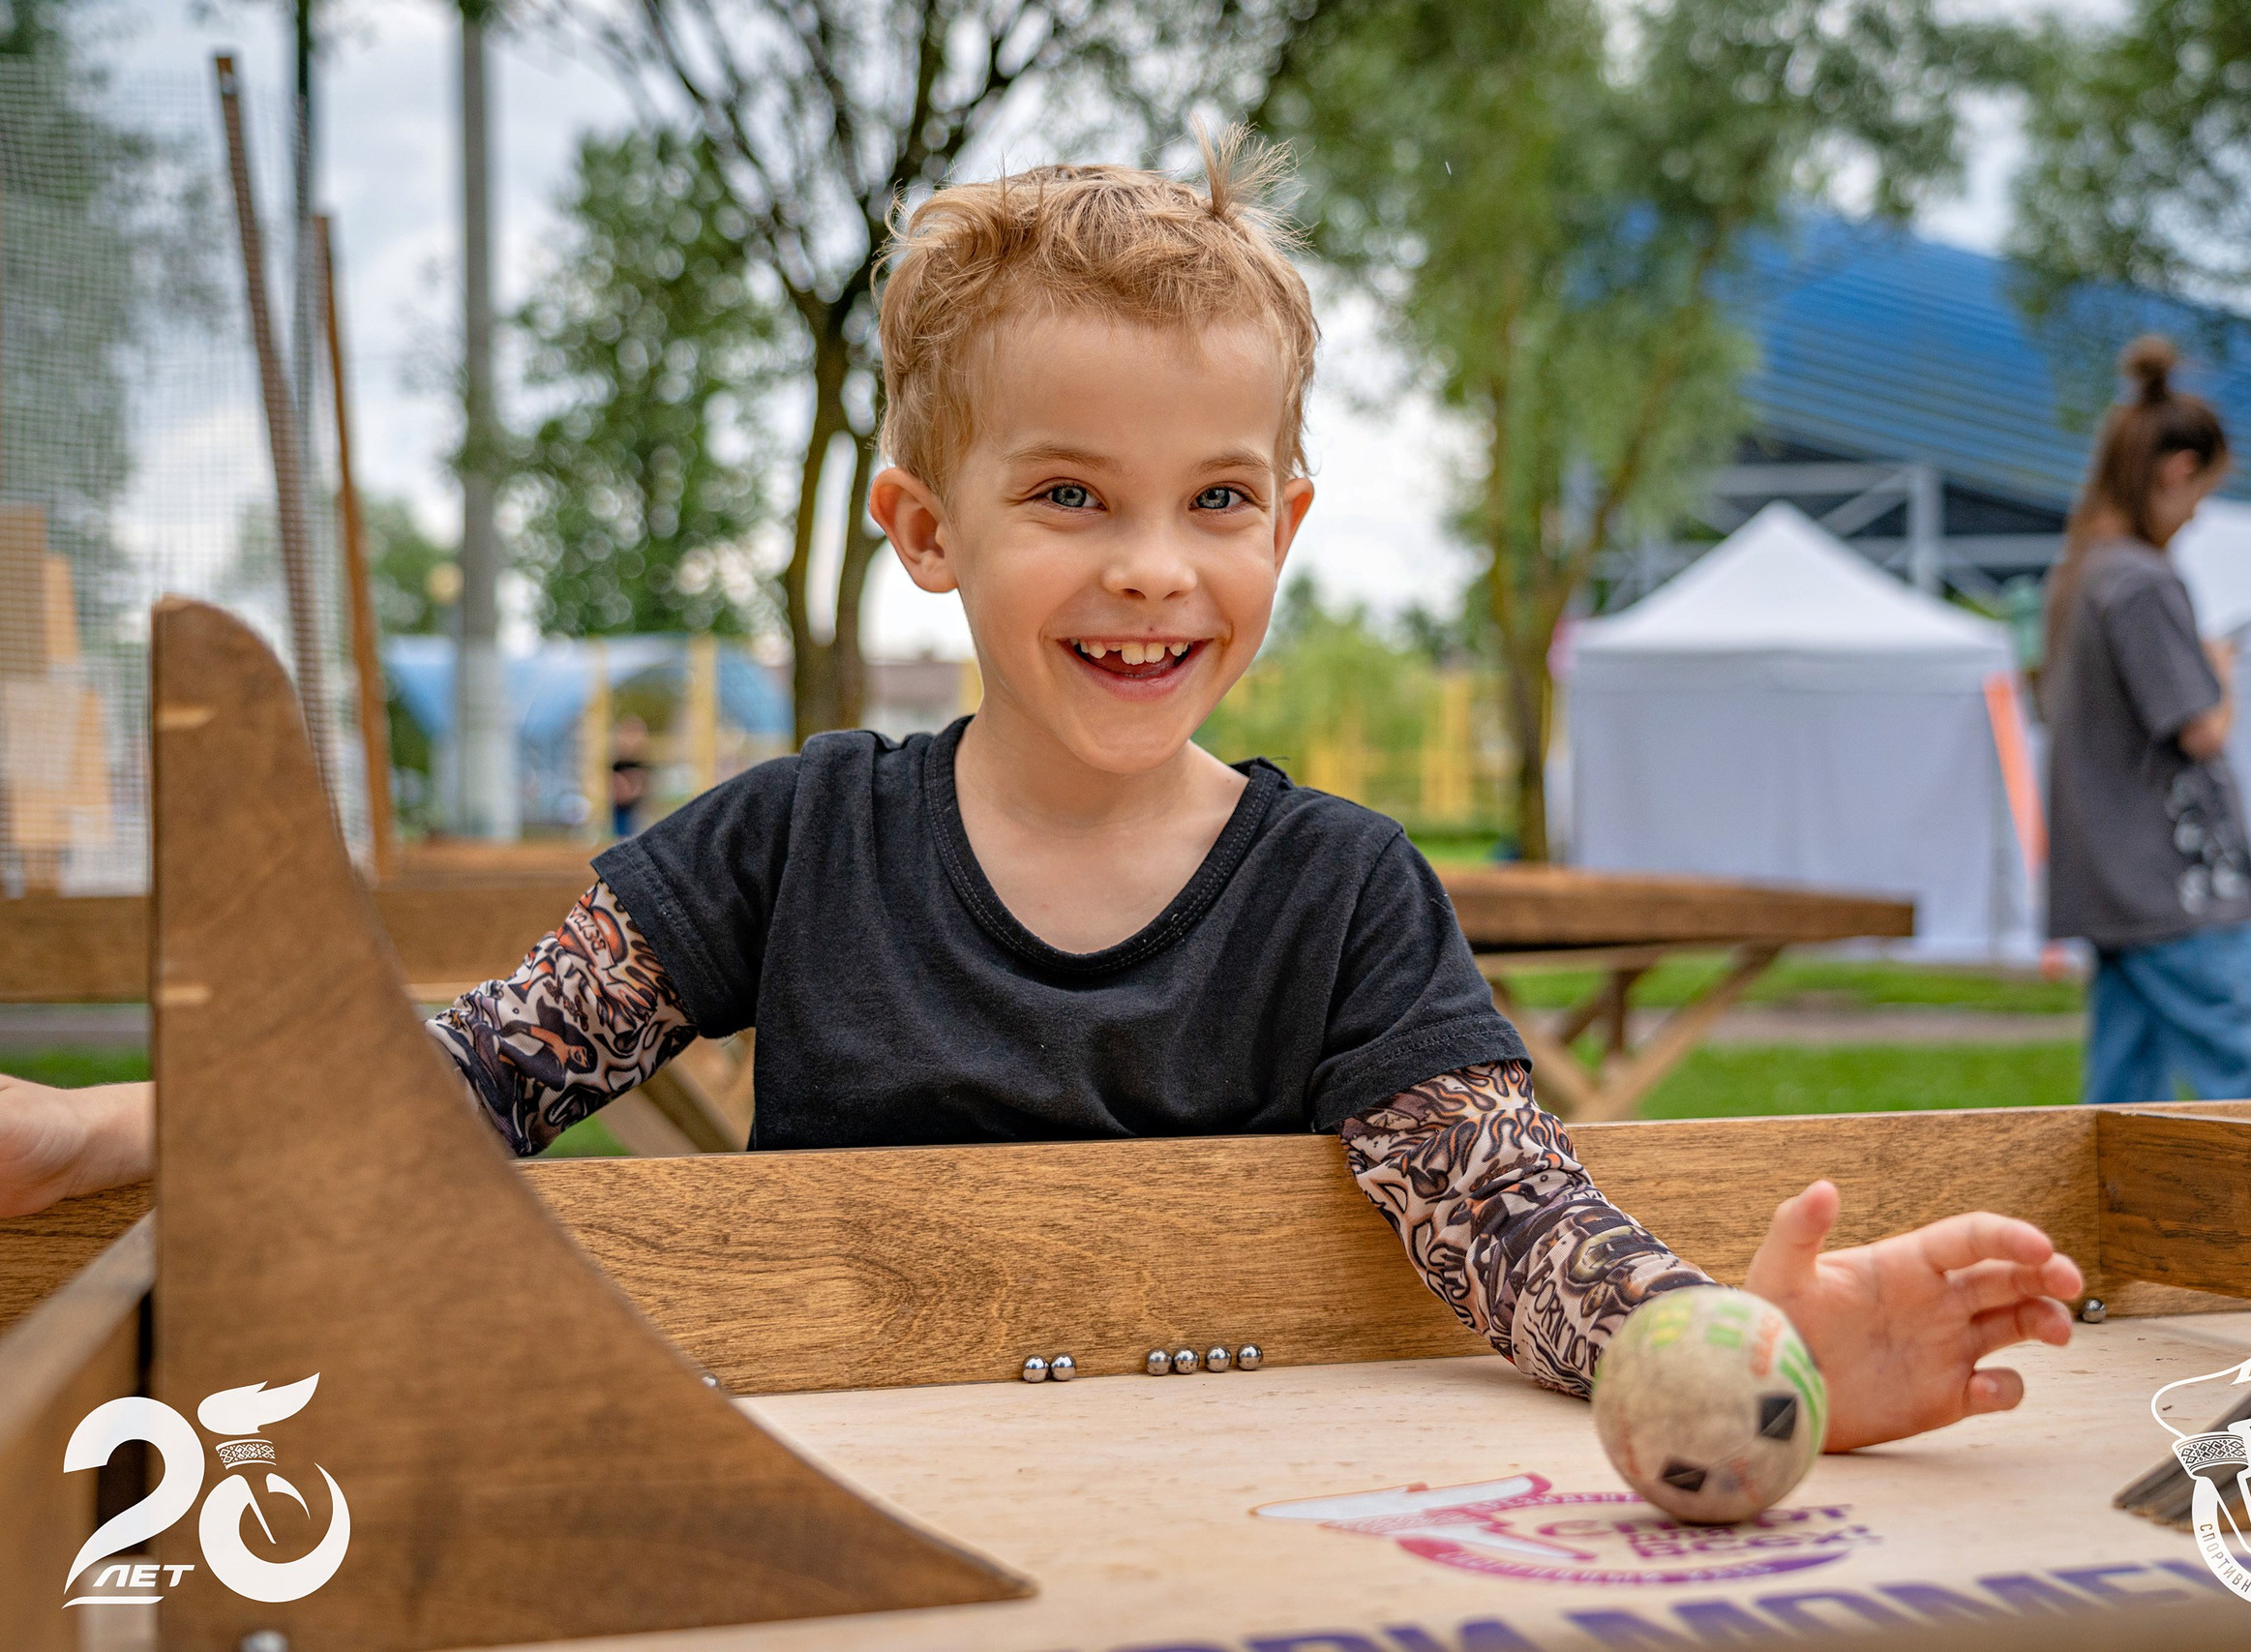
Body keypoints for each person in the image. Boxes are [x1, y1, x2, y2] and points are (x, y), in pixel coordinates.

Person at [0, 140, 2082, 1453]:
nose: (1151, 564)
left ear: (1287, 523)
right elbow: (470, 1072)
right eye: (1067, 493)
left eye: (1216, 500)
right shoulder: (793, 830)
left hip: (1239, 1525)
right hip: (834, 1497)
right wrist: (98, 1123)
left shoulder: (1345, 891)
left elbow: (1506, 1217)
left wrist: (1733, 1350)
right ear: (925, 525)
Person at [2043, 337, 2251, 1108]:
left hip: (2115, 890)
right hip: (2177, 892)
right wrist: (2218, 669)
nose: (2194, 518)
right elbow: (2201, 729)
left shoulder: (2080, 572)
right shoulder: (2143, 580)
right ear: (2177, 471)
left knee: (2122, 1108)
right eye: (2201, 496)